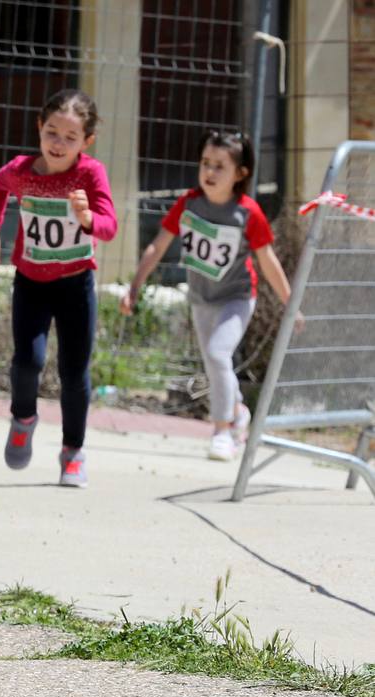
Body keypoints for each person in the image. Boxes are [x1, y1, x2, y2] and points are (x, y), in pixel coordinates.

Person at [121, 129, 296, 460]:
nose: (210, 172)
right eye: (205, 163)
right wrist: (134, 288)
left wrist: (291, 304)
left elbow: (268, 261)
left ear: (241, 174)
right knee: (215, 364)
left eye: (220, 166)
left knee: (218, 355)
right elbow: (158, 245)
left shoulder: (248, 213)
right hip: (201, 298)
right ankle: (238, 411)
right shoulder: (189, 204)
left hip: (237, 297)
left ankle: (222, 431)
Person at [0, 89, 118, 487]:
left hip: (76, 285)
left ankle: (72, 451)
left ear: (86, 142)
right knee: (28, 360)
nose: (59, 144)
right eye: (52, 133)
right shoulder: (21, 170)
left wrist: (88, 216)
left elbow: (109, 226)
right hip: (31, 281)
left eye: (70, 138)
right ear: (40, 128)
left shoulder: (89, 174)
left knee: (73, 371)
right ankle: (23, 418)